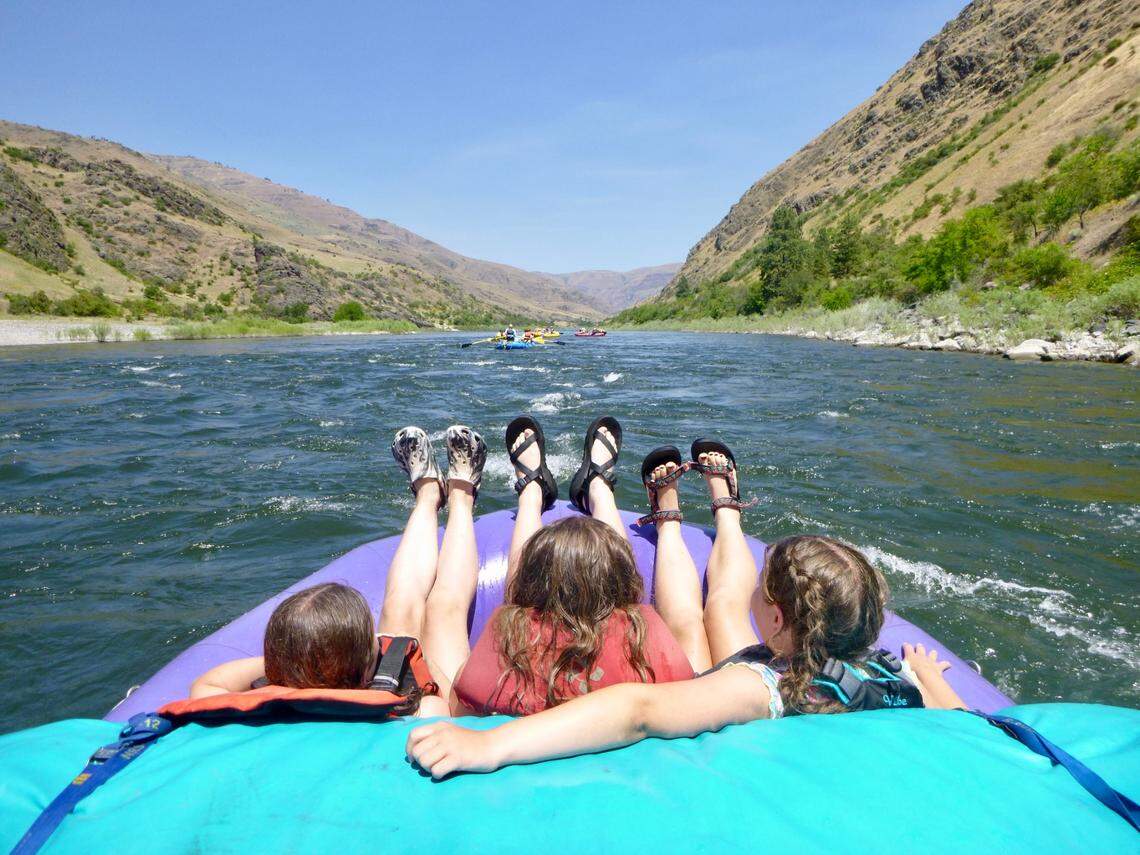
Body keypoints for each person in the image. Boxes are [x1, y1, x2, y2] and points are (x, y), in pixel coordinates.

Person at [405, 441, 966, 778]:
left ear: (775, 619)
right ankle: (700, 504)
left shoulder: (756, 686)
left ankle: (666, 508)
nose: (752, 588)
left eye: (759, 583)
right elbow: (963, 724)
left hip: (732, 697)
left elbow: (637, 709)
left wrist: (492, 743)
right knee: (711, 618)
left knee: (717, 611)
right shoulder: (889, 676)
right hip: (879, 680)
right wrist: (929, 676)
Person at [417, 414, 693, 715]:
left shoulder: (504, 641)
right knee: (625, 589)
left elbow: (462, 690)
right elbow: (685, 678)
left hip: (507, 728)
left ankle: (529, 491)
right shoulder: (649, 638)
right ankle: (599, 487)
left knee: (449, 610)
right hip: (624, 717)